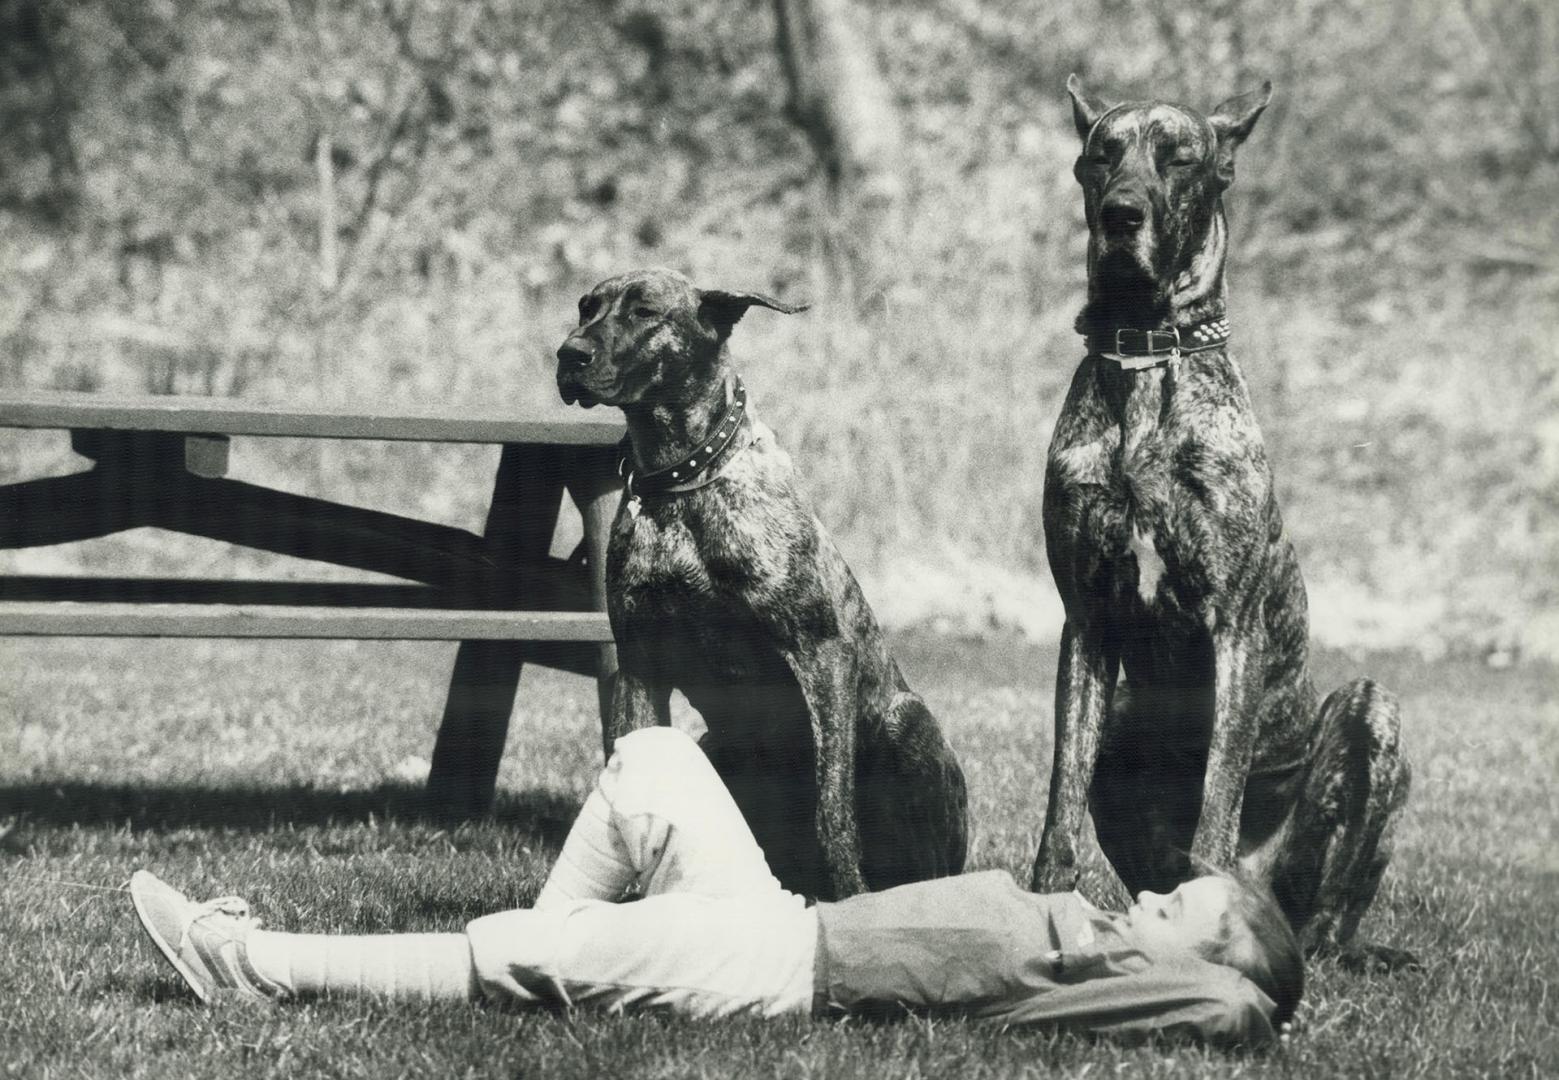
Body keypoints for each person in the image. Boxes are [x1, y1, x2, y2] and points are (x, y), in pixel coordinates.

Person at [131, 727, 1300, 1046]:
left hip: (778, 976)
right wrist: (1187, 929)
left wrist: (1219, 960)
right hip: (780, 919)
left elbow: (1234, 1011)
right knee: (652, 762)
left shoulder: (1109, 984)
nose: (1152, 902)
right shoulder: (1090, 929)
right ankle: (557, 957)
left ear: (1186, 966)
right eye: (1169, 897)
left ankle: (257, 966)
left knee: (532, 951)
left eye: (1177, 918)